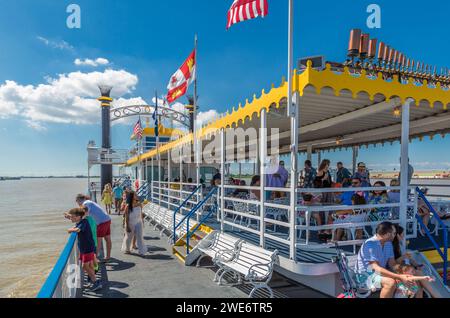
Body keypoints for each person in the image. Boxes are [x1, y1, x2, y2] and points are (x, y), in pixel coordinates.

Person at [355, 222, 418, 298]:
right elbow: (376, 268)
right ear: (388, 234)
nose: (395, 235)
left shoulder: (388, 243)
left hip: (379, 274)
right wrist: (398, 276)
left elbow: (392, 264)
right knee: (390, 282)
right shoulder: (370, 244)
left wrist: (405, 271)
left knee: (411, 276)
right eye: (394, 233)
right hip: (366, 276)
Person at [392, 225, 439, 298]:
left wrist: (416, 265)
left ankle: (435, 295)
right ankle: (436, 296)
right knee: (418, 274)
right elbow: (394, 263)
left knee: (419, 286)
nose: (404, 236)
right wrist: (404, 257)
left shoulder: (400, 245)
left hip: (408, 270)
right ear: (397, 235)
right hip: (400, 271)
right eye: (402, 234)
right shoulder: (392, 247)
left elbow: (409, 260)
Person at [66, 208, 103, 291]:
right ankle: (92, 281)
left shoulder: (84, 223)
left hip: (87, 248)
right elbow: (76, 224)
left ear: (78, 217)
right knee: (89, 265)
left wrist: (69, 230)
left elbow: (78, 229)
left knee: (84, 266)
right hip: (85, 248)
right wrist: (68, 216)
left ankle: (96, 282)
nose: (70, 218)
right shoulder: (81, 221)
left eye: (72, 217)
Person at [76, 194, 112, 262]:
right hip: (107, 219)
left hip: (102, 222)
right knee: (107, 239)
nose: (78, 205)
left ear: (78, 200)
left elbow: (85, 213)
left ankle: (94, 259)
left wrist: (77, 219)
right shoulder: (89, 202)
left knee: (98, 241)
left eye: (77, 202)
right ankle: (107, 257)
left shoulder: (86, 203)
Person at [122, 191, 147, 256]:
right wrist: (127, 226)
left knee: (139, 236)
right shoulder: (128, 206)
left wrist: (142, 221)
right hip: (130, 223)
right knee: (129, 237)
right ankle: (127, 249)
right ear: (132, 197)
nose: (137, 195)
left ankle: (141, 251)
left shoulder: (139, 204)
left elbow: (141, 213)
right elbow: (126, 216)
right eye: (135, 195)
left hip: (139, 222)